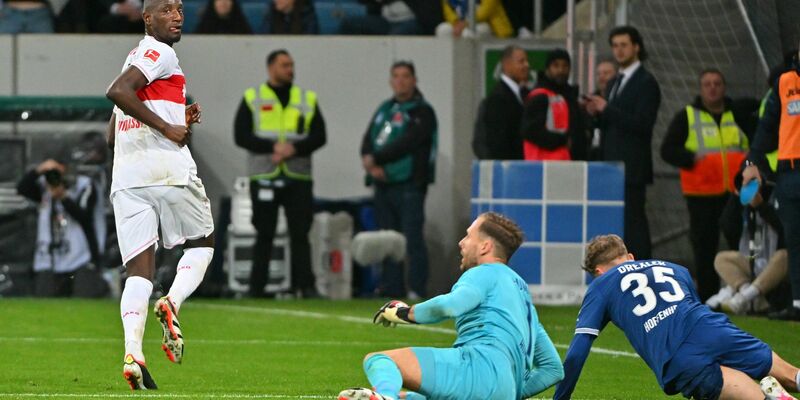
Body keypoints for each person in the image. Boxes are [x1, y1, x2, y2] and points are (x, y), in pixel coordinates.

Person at [105, 0, 215, 389]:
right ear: (146, 18)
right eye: (166, 10)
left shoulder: (133, 58)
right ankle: (173, 301)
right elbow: (117, 91)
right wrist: (168, 129)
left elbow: (111, 135)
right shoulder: (160, 52)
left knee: (139, 273)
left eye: (180, 9)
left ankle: (133, 354)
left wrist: (175, 118)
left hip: (127, 178)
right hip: (166, 169)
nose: (177, 16)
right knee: (202, 243)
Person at [338, 212, 564, 400]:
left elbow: (449, 306)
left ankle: (385, 397)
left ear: (485, 246)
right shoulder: (524, 299)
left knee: (380, 360)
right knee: (410, 397)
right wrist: (507, 391)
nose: (461, 242)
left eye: (468, 236)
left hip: (477, 367)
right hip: (505, 389)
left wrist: (405, 313)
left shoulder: (483, 273)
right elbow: (553, 369)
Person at [554, 234, 800, 400]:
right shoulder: (675, 268)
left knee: (748, 394)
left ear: (598, 272)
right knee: (790, 375)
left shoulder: (601, 285)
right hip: (712, 327)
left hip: (677, 356)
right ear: (630, 257)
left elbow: (577, 352)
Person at [234, 49, 326, 299]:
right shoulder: (253, 97)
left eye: (291, 65)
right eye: (285, 65)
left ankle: (305, 287)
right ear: (271, 68)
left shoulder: (306, 98)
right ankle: (257, 288)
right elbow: (241, 135)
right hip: (264, 174)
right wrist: (272, 147)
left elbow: (320, 136)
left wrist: (293, 149)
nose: (290, 70)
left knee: (300, 233)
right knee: (264, 233)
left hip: (298, 176)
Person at [660, 68, 754, 302]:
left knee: (739, 243)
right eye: (707, 84)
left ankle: (741, 293)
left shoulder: (739, 114)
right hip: (701, 193)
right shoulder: (687, 116)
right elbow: (667, 150)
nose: (712, 88)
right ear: (701, 89)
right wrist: (690, 158)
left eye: (717, 83)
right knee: (704, 247)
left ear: (724, 88)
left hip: (736, 192)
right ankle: (708, 297)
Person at [583, 25, 661, 260]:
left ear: (636, 47)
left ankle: (642, 267)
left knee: (634, 223)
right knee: (618, 224)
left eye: (624, 45)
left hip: (632, 166)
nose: (619, 50)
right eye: (615, 46)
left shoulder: (646, 82)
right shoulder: (615, 81)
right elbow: (613, 121)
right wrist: (596, 112)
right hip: (612, 165)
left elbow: (643, 124)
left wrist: (607, 109)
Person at [360, 60, 437, 299]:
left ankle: (416, 289)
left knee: (412, 239)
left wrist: (376, 159)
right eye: (396, 76)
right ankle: (391, 288)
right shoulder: (385, 109)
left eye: (405, 76)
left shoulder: (422, 111)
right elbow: (368, 140)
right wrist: (370, 163)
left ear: (414, 80)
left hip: (410, 185)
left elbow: (408, 142)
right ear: (390, 81)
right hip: (383, 185)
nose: (400, 81)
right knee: (387, 239)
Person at [742, 45, 800, 321]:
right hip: (789, 172)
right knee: (794, 238)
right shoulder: (785, 82)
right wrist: (752, 164)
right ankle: (798, 302)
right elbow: (766, 128)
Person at [16, 157, 104, 297]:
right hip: (49, 257)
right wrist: (39, 170)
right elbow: (22, 188)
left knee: (83, 300)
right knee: (46, 301)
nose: (56, 177)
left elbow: (85, 217)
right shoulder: (45, 188)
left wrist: (63, 197)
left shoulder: (84, 185)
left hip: (81, 256)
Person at [714, 176, 787, 315]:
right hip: (754, 261)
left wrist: (761, 206)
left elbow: (784, 227)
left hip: (777, 266)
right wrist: (736, 196)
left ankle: (742, 297)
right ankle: (747, 295)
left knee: (784, 256)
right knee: (721, 258)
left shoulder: (779, 195)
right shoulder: (744, 204)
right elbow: (727, 226)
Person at [520, 48, 586, 161]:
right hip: (545, 162)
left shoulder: (570, 96)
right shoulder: (540, 95)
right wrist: (562, 140)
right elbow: (530, 131)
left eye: (565, 66)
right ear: (548, 69)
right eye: (556, 65)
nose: (561, 70)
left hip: (568, 161)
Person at [472, 45, 529, 160]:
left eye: (526, 61)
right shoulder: (497, 99)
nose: (527, 65)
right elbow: (495, 142)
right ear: (506, 65)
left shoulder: (524, 95)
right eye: (521, 61)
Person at [435, 0, 512, 38]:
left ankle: (468, 64)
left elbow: (486, 10)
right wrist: (456, 21)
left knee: (468, 33)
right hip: (460, 23)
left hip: (487, 24)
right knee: (443, 29)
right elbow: (447, 9)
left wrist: (465, 23)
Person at [588, 59, 616, 160]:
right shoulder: (590, 100)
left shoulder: (619, 101)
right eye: (598, 74)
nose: (601, 77)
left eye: (606, 73)